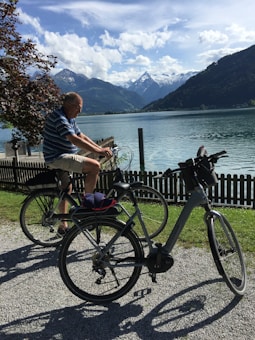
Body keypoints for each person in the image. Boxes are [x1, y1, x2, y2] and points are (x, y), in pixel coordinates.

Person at [43, 92, 112, 235]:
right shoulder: (59, 117)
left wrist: (99, 148)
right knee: (94, 166)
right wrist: (99, 152)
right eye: (79, 108)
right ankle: (87, 206)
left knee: (66, 190)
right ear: (70, 105)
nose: (80, 111)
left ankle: (63, 226)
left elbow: (82, 136)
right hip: (57, 157)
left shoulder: (69, 118)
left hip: (61, 156)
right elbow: (74, 140)